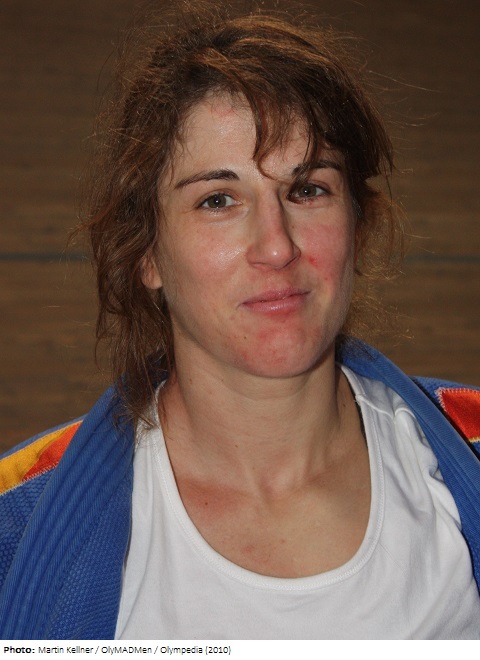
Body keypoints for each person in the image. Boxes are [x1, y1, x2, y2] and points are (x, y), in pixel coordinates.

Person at [1, 2, 480, 640]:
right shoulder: (17, 520)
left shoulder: (463, 452)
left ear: (358, 225)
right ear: (147, 254)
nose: (276, 246)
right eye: (218, 200)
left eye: (307, 189)